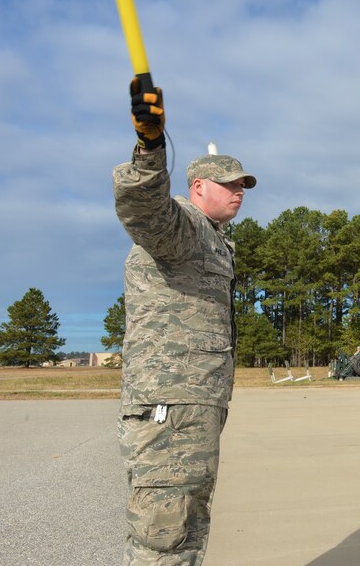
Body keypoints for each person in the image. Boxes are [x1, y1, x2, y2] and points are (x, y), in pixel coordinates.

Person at [113, 77, 256, 565]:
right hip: (168, 408)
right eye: (230, 184)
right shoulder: (181, 224)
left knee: (188, 530)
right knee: (163, 537)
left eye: (243, 186)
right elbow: (143, 206)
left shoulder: (213, 238)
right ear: (198, 187)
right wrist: (150, 147)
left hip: (195, 406)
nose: (239, 193)